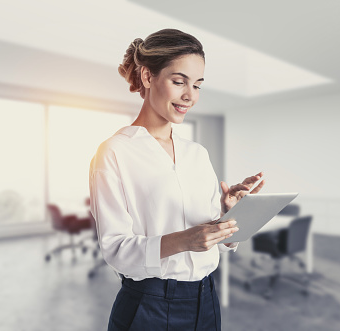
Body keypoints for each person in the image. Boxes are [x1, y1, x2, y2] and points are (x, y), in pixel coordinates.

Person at [89, 28, 265, 331]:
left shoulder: (197, 153)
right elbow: (116, 249)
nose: (190, 96)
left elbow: (216, 241)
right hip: (150, 305)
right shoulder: (114, 152)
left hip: (207, 300)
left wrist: (229, 215)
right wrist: (185, 240)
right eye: (178, 81)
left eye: (197, 85)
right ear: (147, 77)